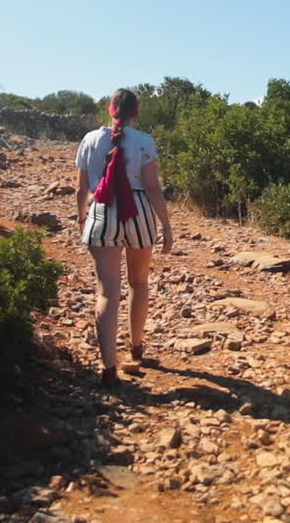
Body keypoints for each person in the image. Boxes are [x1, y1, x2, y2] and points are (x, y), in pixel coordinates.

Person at [76, 88, 174, 388]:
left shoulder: (90, 140)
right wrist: (166, 226)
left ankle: (108, 368)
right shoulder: (144, 141)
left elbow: (81, 189)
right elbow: (153, 188)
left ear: (110, 108)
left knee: (106, 291)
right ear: (136, 112)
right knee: (139, 282)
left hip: (102, 213)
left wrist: (82, 219)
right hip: (139, 212)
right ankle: (136, 347)